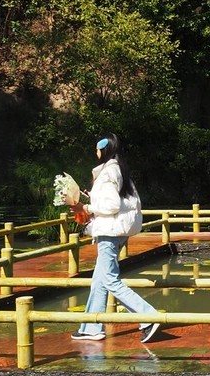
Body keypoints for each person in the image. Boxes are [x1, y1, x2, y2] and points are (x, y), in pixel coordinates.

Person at [68, 134, 160, 343]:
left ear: (104, 150)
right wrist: (91, 199)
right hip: (116, 231)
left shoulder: (108, 173)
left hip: (110, 232)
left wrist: (85, 207)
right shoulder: (119, 170)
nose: (95, 152)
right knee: (99, 280)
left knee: (109, 279)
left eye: (97, 149)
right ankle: (92, 327)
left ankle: (149, 317)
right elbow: (119, 202)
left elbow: (112, 206)